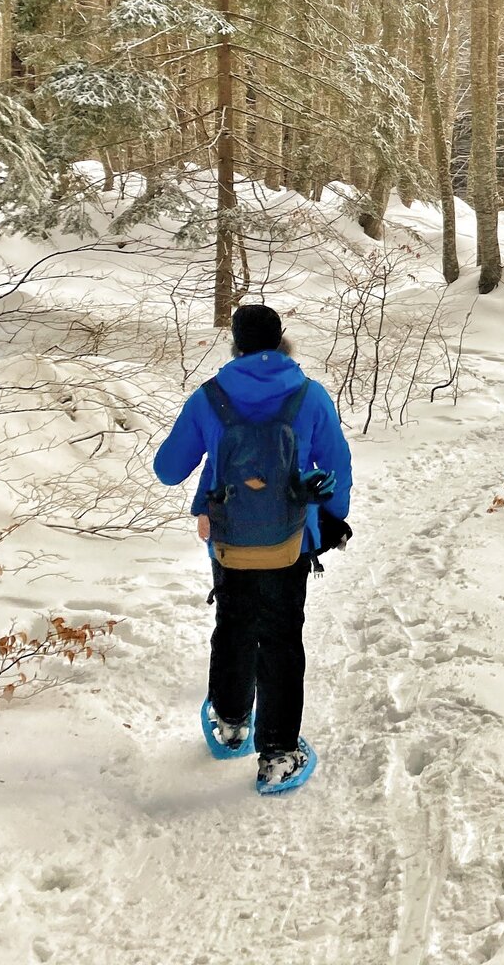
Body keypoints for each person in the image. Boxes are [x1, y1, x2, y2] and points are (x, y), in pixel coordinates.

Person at [154, 302, 351, 796]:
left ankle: (231, 723)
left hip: (227, 541)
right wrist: (330, 518)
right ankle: (280, 754)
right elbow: (338, 468)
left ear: (236, 345)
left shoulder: (209, 397)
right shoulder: (309, 395)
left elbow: (167, 469)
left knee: (235, 624)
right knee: (283, 639)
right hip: (290, 541)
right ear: (282, 340)